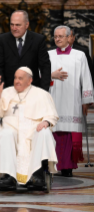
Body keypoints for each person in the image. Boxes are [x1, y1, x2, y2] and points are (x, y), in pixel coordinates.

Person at [0, 67, 58, 189]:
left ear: (30, 80)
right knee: (5, 133)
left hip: (33, 129)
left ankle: (37, 175)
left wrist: (46, 122)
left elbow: (51, 114)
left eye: (20, 78)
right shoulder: (6, 92)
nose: (16, 81)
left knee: (44, 133)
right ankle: (8, 176)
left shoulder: (42, 94)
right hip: (11, 128)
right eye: (15, 78)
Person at [48, 26, 94, 177]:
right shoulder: (48, 55)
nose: (58, 39)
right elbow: (40, 75)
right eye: (55, 36)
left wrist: (85, 101)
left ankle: (67, 166)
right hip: (53, 99)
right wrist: (51, 75)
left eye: (61, 36)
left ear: (69, 38)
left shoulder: (79, 55)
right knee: (54, 133)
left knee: (68, 133)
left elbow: (86, 78)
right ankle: (54, 164)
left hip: (72, 100)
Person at [0, 10, 51, 91]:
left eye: (18, 25)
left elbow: (45, 67)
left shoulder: (38, 40)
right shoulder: (2, 40)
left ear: (27, 24)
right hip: (9, 89)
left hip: (33, 90)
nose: (14, 28)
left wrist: (43, 91)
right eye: (12, 24)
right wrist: (3, 90)